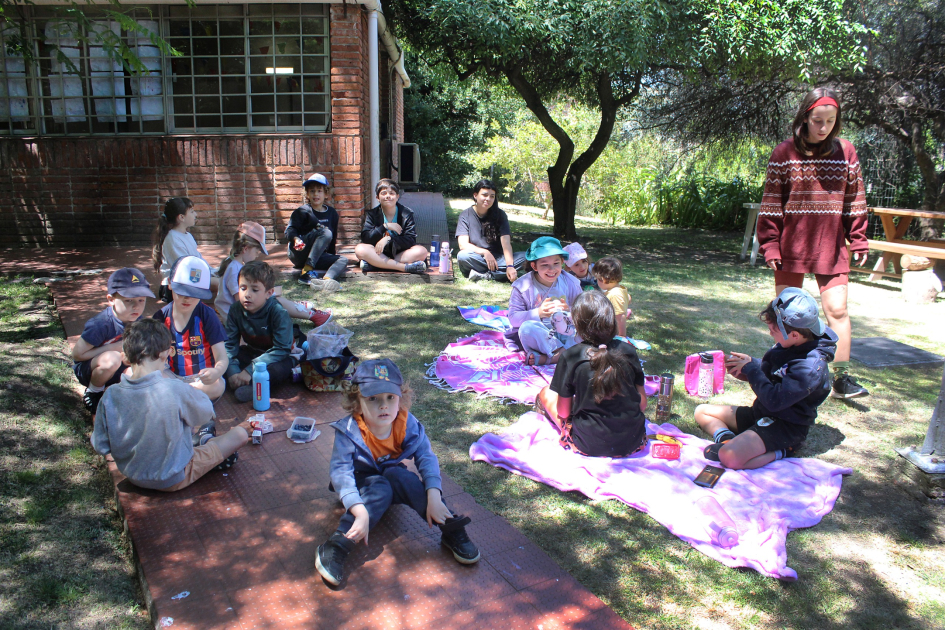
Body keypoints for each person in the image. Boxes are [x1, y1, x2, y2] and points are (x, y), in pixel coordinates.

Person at [315, 359, 480, 586]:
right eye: (373, 399)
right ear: (357, 402)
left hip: (390, 474)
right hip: (360, 483)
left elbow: (426, 457)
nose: (383, 406)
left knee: (401, 476)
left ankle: (448, 525)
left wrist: (433, 495)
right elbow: (341, 473)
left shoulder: (405, 422)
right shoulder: (349, 431)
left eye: (390, 398)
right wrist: (358, 510)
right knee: (381, 487)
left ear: (400, 398)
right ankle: (337, 545)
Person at [757, 87, 869, 400]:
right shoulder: (784, 153)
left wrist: (858, 239)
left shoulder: (846, 152)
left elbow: (854, 200)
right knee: (787, 315)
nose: (823, 128)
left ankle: (842, 379)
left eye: (830, 121)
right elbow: (771, 203)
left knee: (838, 310)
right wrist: (770, 244)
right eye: (817, 120)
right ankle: (785, 368)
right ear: (805, 118)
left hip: (831, 246)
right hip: (790, 247)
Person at [91, 319, 251, 491]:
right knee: (240, 434)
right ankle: (206, 448)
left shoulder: (110, 394)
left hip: (132, 475)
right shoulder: (174, 388)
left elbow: (100, 445)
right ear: (164, 355)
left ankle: (201, 442)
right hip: (172, 477)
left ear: (127, 357)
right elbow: (206, 414)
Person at [694, 288, 838, 470]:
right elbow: (777, 372)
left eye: (773, 330)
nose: (770, 334)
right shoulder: (795, 343)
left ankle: (784, 451)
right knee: (702, 411)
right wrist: (749, 366)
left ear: (794, 335)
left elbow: (775, 401)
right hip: (762, 414)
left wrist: (753, 371)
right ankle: (727, 439)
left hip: (785, 427)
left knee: (729, 457)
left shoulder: (809, 368)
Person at [536, 291, 648, 458]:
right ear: (611, 321)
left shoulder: (570, 356)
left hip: (587, 444)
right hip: (633, 442)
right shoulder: (629, 351)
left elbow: (564, 412)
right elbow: (642, 404)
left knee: (546, 392)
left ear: (577, 323)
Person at [72, 267, 154, 417]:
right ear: (111, 300)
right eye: (128, 301)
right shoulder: (101, 324)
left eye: (141, 300)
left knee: (141, 370)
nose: (136, 306)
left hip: (118, 369)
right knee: (112, 359)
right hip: (91, 369)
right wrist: (113, 347)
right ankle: (93, 393)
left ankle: (123, 402)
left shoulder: (139, 323)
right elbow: (78, 355)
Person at [216, 221, 331, 326]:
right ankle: (312, 315)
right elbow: (241, 301)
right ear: (246, 248)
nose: (257, 255)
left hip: (235, 318)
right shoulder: (235, 269)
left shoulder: (231, 262)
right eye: (257, 251)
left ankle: (301, 308)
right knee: (275, 300)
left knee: (272, 295)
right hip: (237, 321)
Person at [153, 256, 228, 401]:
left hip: (200, 380)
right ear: (169, 284)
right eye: (182, 292)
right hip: (172, 376)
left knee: (217, 386)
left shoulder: (207, 315)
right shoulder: (161, 317)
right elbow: (152, 356)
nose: (187, 298)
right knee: (133, 373)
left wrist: (216, 371)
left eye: (194, 294)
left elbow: (222, 356)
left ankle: (177, 398)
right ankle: (186, 400)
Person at [224, 260, 298, 403]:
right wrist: (232, 372)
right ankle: (240, 382)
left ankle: (254, 387)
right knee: (220, 357)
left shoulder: (278, 312)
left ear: (269, 293)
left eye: (255, 290)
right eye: (243, 288)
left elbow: (282, 349)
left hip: (280, 356)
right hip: (254, 352)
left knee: (276, 372)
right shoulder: (235, 310)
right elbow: (229, 346)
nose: (247, 294)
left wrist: (250, 369)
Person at [506, 236, 583, 366]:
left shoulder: (571, 283)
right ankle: (563, 353)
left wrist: (569, 309)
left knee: (590, 329)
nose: (552, 270)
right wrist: (539, 313)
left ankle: (551, 359)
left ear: (562, 262)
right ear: (534, 266)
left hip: (567, 332)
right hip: (541, 336)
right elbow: (513, 318)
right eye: (545, 265)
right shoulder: (523, 287)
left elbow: (583, 312)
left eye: (556, 263)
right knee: (526, 329)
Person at [285, 173, 349, 292]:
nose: (316, 194)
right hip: (299, 252)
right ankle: (307, 272)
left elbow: (332, 240)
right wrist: (295, 239)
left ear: (326, 193)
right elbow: (289, 230)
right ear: (307, 194)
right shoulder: (302, 211)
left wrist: (331, 256)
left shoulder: (332, 213)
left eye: (319, 191)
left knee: (343, 260)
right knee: (325, 232)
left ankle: (326, 281)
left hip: (317, 256)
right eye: (312, 191)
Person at [455, 179, 526, 282]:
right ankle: (498, 274)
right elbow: (463, 245)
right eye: (484, 195)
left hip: (499, 260)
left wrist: (510, 265)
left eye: (492, 196)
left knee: (528, 256)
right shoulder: (465, 215)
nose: (488, 199)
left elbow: (506, 244)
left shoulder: (500, 215)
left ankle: (484, 275)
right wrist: (485, 252)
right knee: (463, 256)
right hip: (478, 258)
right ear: (475, 195)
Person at [151, 197, 220, 301]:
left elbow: (198, 260)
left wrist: (215, 272)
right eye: (192, 212)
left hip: (189, 277)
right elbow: (185, 270)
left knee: (225, 277)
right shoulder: (173, 239)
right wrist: (209, 278)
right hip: (174, 287)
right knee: (221, 283)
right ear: (181, 217)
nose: (195, 215)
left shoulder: (187, 235)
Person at [354, 179, 428, 273]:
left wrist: (388, 239)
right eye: (384, 193)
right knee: (360, 249)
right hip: (378, 253)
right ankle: (404, 267)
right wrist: (384, 226)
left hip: (399, 253)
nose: (388, 196)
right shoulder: (372, 214)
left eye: (391, 193)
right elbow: (366, 238)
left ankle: (376, 264)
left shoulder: (406, 214)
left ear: (397, 196)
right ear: (377, 197)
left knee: (421, 251)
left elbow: (410, 239)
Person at [593, 257, 630, 337]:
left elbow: (620, 318)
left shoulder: (614, 294)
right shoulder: (619, 289)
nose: (597, 281)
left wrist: (621, 336)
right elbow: (628, 299)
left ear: (603, 279)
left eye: (597, 279)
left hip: (611, 334)